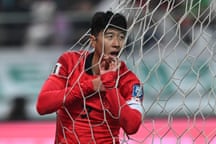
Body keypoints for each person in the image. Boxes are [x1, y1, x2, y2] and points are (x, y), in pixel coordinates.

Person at [36, 11, 144, 144]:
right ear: (93, 41)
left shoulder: (129, 80)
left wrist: (110, 86)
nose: (117, 43)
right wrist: (91, 85)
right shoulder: (69, 62)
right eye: (110, 36)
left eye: (121, 37)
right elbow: (43, 105)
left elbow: (132, 126)